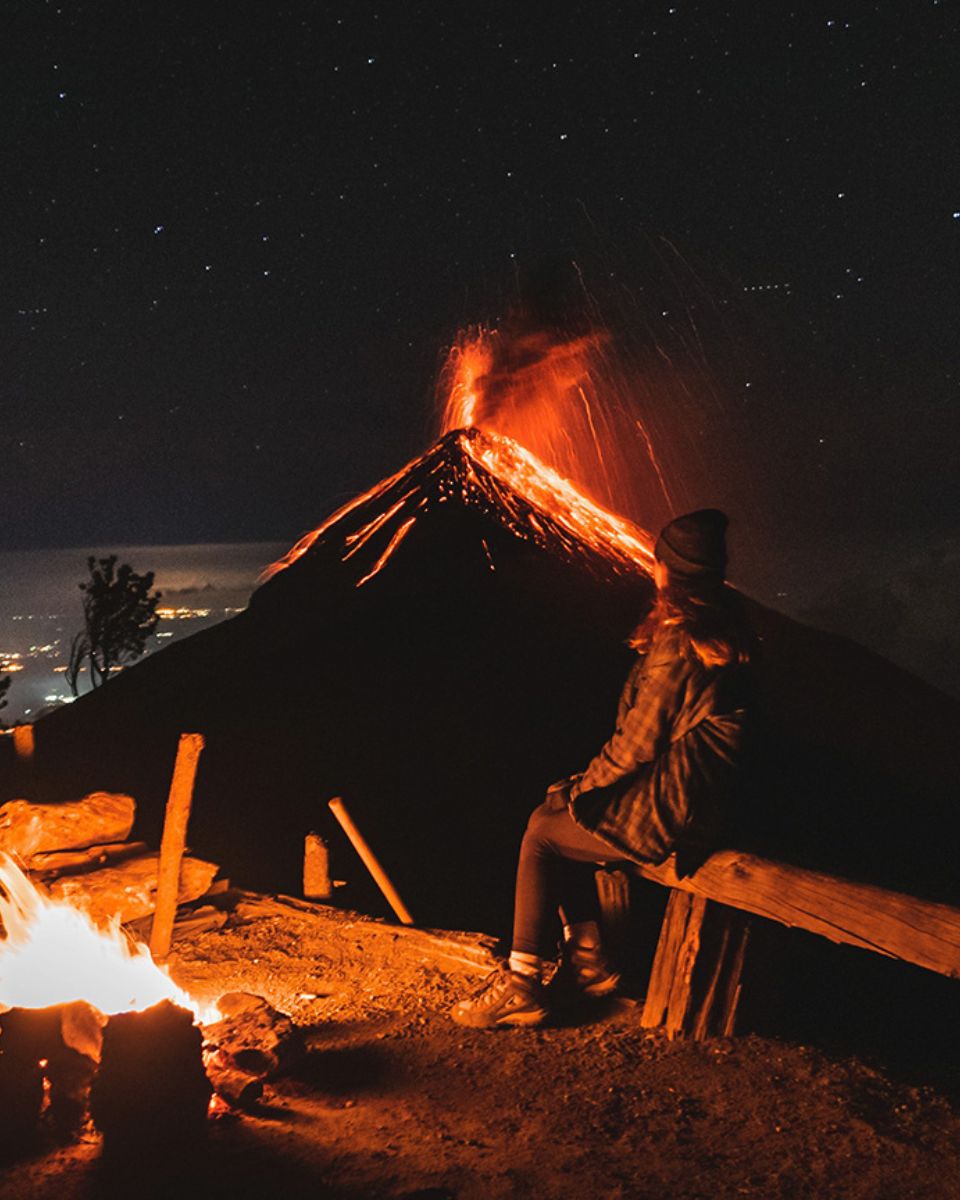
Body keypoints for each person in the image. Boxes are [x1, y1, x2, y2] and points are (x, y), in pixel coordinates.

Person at [452, 509, 752, 1028]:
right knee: (554, 812)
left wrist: (581, 791)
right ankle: (588, 961)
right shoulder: (717, 628)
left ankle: (522, 982)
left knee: (542, 835)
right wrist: (575, 789)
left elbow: (637, 744)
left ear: (667, 570)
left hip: (681, 810)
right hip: (697, 797)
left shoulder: (681, 644)